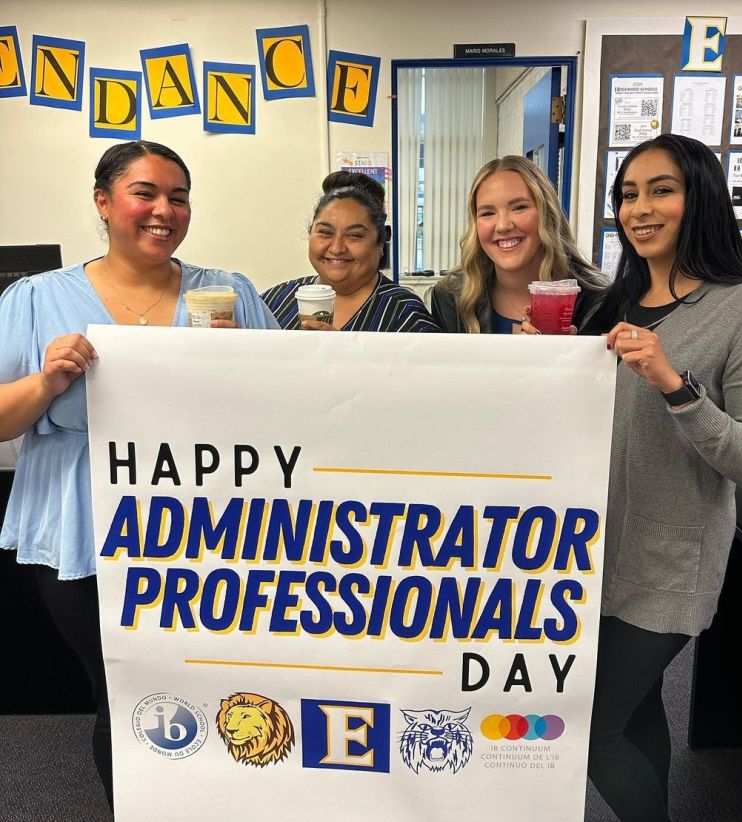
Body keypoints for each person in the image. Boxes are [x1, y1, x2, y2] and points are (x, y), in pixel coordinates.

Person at [0, 140, 277, 809]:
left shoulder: (229, 292)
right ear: (103, 202)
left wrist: (250, 367)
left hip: (207, 532)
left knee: (211, 687)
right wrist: (47, 380)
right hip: (83, 530)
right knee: (124, 695)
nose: (165, 210)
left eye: (178, 196)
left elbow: (283, 404)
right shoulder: (35, 298)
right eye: (145, 193)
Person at [585, 134, 742, 821]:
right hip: (592, 556)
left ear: (699, 196)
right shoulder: (608, 301)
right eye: (627, 193)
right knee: (637, 713)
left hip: (669, 562)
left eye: (661, 189)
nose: (639, 208)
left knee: (593, 731)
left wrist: (677, 385)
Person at [430, 155, 605, 334]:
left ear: (548, 214)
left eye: (519, 207)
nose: (503, 226)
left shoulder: (598, 300)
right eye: (488, 213)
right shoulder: (450, 297)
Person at [262, 171, 439, 332]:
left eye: (354, 235)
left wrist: (345, 354)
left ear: (380, 244)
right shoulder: (275, 301)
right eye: (325, 232)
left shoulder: (407, 317)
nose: (337, 248)